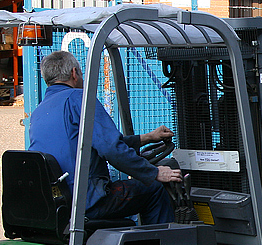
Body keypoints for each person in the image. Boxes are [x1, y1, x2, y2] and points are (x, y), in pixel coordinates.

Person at [28, 50, 182, 225]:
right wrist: (154, 172)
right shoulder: (79, 99)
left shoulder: (39, 111)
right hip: (86, 201)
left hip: (56, 201)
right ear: (74, 73)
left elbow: (94, 142)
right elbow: (110, 149)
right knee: (155, 190)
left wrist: (146, 138)